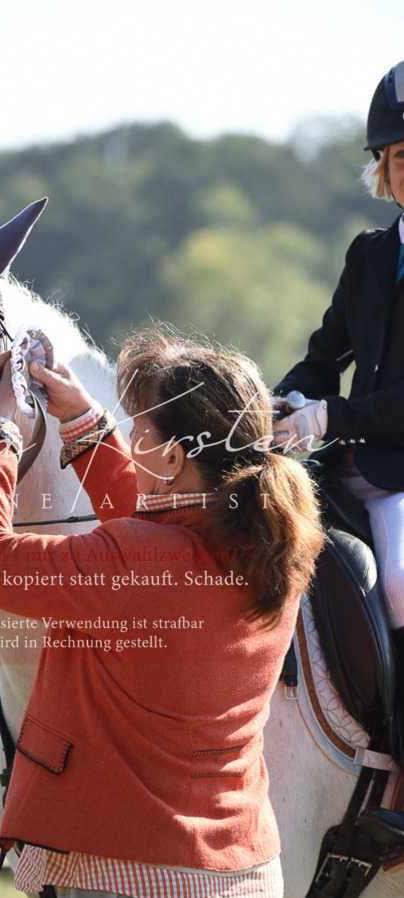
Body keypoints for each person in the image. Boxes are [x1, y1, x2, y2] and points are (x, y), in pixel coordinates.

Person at [0, 328, 322, 898]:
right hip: (245, 892)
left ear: (174, 456)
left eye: (136, 429)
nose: (128, 435)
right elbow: (156, 526)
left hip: (135, 896)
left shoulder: (134, 557)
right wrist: (84, 422)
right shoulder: (273, 542)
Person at [273, 61, 404, 835]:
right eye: (401, 157)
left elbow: (354, 403)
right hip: (343, 470)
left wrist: (334, 417)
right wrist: (288, 397)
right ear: (383, 170)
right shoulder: (368, 254)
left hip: (400, 481)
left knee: (398, 590)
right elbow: (326, 354)